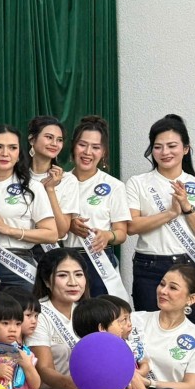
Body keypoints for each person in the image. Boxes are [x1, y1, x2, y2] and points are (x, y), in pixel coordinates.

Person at [127, 115, 195, 322]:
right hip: (150, 267)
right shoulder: (138, 183)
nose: (165, 152)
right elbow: (131, 226)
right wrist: (170, 214)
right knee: (151, 330)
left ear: (186, 149)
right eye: (158, 147)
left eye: (172, 146)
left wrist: (187, 208)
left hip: (193, 265)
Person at [0, 124, 57, 294]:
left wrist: (8, 230)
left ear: (19, 155)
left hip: (19, 265)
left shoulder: (32, 187)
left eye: (12, 148)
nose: (5, 153)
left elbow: (51, 234)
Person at [64, 116, 130, 299]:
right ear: (73, 146)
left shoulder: (114, 186)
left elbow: (121, 233)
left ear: (104, 152)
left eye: (95, 147)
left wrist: (107, 236)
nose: (87, 152)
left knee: (101, 313)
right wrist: (68, 225)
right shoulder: (59, 182)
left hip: (100, 262)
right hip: (65, 261)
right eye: (82, 145)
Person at [26, 248, 89, 389]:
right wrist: (69, 384)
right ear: (47, 281)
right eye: (63, 275)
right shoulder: (39, 314)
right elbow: (44, 369)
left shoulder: (88, 311)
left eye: (78, 274)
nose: (73, 282)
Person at [27, 115, 78, 245]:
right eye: (49, 137)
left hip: (52, 250)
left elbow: (61, 232)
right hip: (21, 247)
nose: (54, 144)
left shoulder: (68, 180)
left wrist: (50, 190)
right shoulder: (18, 176)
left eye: (59, 140)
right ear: (32, 139)